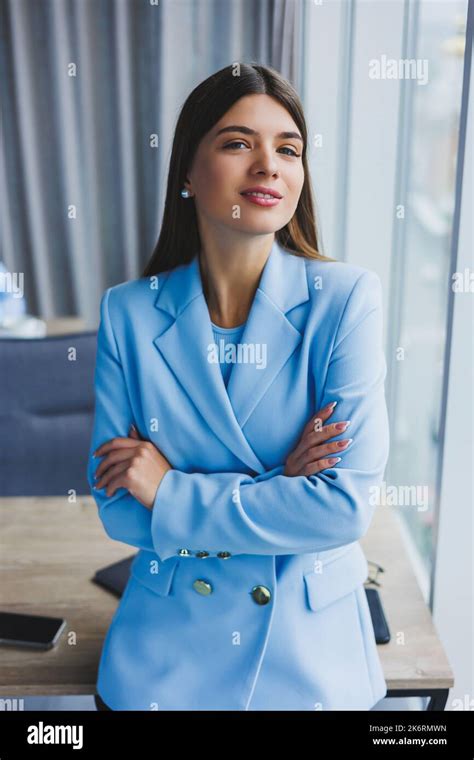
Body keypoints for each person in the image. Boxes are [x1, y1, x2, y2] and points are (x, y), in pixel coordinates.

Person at [88, 62, 389, 711]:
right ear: (189, 176)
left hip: (309, 661)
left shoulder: (346, 302)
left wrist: (169, 488)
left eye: (288, 149)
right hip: (163, 659)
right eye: (236, 143)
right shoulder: (129, 313)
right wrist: (281, 485)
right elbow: (116, 507)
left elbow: (341, 508)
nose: (268, 165)